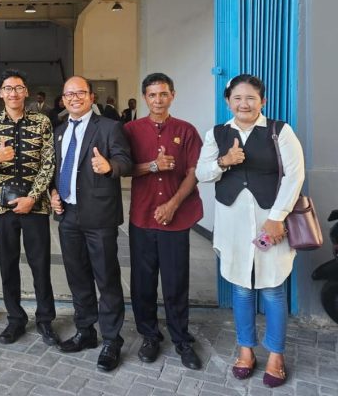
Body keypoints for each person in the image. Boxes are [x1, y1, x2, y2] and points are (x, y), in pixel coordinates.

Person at [196, 74, 304, 388]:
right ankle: (245, 350)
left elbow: (294, 176)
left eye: (251, 98)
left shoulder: (279, 131)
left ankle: (276, 355)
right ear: (228, 101)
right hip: (231, 224)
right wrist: (224, 161)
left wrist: (277, 216)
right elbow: (202, 173)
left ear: (262, 101)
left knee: (272, 289)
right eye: (237, 98)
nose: (244, 104)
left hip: (272, 223)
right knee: (241, 289)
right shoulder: (216, 133)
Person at [50, 76, 132, 372]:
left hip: (100, 217)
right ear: (63, 99)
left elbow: (126, 159)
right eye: (68, 94)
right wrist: (54, 193)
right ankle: (86, 331)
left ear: (91, 97)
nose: (74, 98)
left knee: (106, 278)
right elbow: (57, 170)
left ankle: (112, 340)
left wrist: (111, 166)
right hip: (69, 216)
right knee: (77, 276)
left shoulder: (109, 127)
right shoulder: (59, 132)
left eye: (80, 93)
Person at [123, 73, 204, 370]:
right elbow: (121, 167)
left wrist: (172, 205)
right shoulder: (130, 130)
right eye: (152, 95)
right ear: (145, 97)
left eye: (163, 94)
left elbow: (194, 171)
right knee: (143, 282)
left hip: (176, 218)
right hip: (142, 218)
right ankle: (149, 335)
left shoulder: (187, 130)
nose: (158, 100)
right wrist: (153, 165)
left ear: (173, 95)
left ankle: (181, 337)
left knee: (175, 281)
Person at [0, 70, 57, 346]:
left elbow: (49, 163)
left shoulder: (42, 122)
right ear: (1, 93)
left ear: (26, 92)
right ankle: (16, 319)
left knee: (40, 264)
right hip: (1, 206)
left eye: (18, 88)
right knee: (9, 265)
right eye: (8, 88)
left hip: (35, 206)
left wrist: (33, 198)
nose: (13, 93)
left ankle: (46, 320)